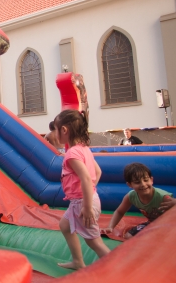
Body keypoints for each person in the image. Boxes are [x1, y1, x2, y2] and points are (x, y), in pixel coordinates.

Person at [53, 109, 110, 270]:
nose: (55, 134)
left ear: (64, 130)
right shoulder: (84, 149)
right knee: (65, 226)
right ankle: (78, 262)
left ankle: (118, 269)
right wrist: (90, 193)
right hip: (83, 200)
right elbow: (97, 172)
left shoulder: (72, 154)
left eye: (55, 129)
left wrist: (86, 205)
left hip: (82, 203)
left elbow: (85, 178)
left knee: (94, 241)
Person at [101, 163, 175, 239]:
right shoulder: (131, 196)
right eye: (137, 182)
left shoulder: (162, 196)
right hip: (153, 223)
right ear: (129, 185)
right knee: (128, 236)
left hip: (169, 224)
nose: (143, 184)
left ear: (151, 180)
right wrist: (110, 227)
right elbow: (119, 212)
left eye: (146, 180)